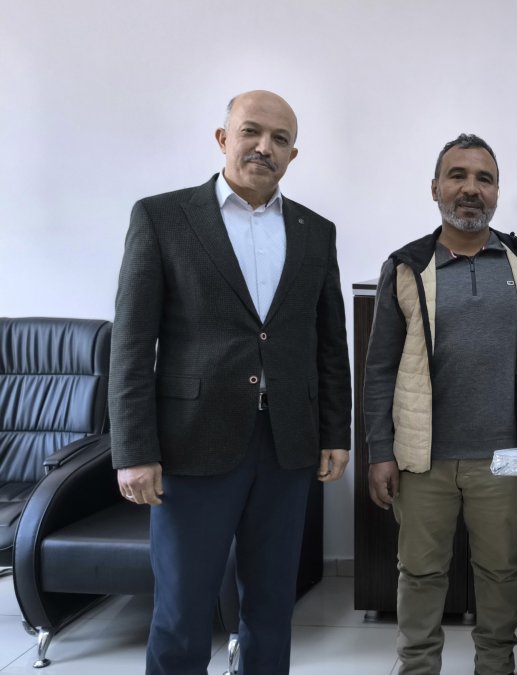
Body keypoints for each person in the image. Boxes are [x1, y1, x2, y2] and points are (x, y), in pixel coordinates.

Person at [110, 90, 352, 674]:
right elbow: (132, 344)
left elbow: (328, 342)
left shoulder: (315, 232)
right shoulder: (163, 218)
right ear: (223, 138)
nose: (264, 147)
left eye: (280, 139)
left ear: (294, 155)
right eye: (251, 132)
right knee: (182, 611)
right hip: (191, 444)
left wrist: (335, 432)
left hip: (287, 447)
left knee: (271, 608)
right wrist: (134, 451)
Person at [362, 133, 517, 675]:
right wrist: (380, 451)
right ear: (435, 188)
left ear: (497, 192)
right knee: (421, 575)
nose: (470, 189)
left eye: (484, 178)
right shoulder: (406, 266)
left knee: (501, 575)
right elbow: (379, 367)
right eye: (458, 176)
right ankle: (418, 668)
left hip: (503, 459)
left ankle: (495, 668)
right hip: (423, 459)